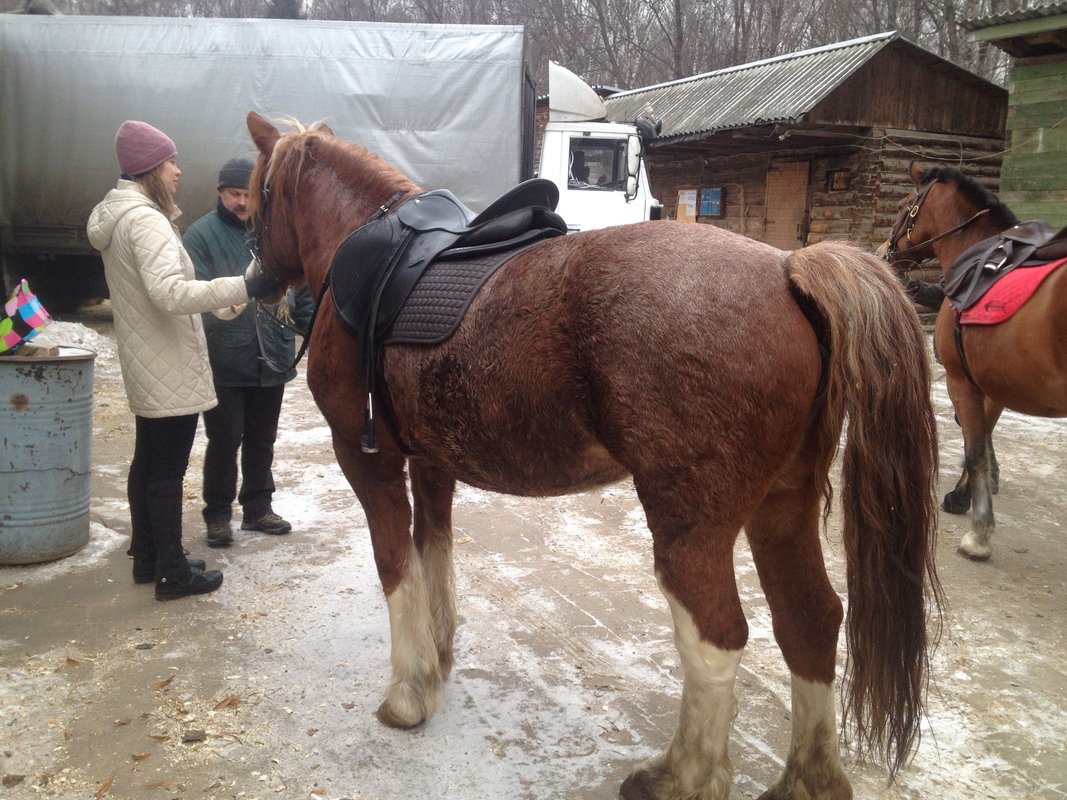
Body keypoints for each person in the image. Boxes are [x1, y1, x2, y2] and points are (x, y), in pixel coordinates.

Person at [86, 121, 282, 600]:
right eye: (171, 162)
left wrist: (234, 294)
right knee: (166, 471)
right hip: (168, 359)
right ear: (152, 167)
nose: (177, 170)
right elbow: (169, 292)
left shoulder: (122, 216)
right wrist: (245, 286)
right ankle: (172, 570)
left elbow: (167, 293)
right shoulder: (147, 219)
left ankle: (149, 557)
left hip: (149, 355)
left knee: (148, 461)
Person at [183, 158, 314, 547]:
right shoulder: (200, 236)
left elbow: (300, 286)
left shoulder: (272, 231)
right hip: (225, 359)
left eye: (247, 194)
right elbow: (196, 298)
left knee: (263, 438)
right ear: (220, 193)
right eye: (233, 194)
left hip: (271, 355)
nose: (241, 202)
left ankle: (258, 507)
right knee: (225, 440)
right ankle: (218, 514)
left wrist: (309, 327)